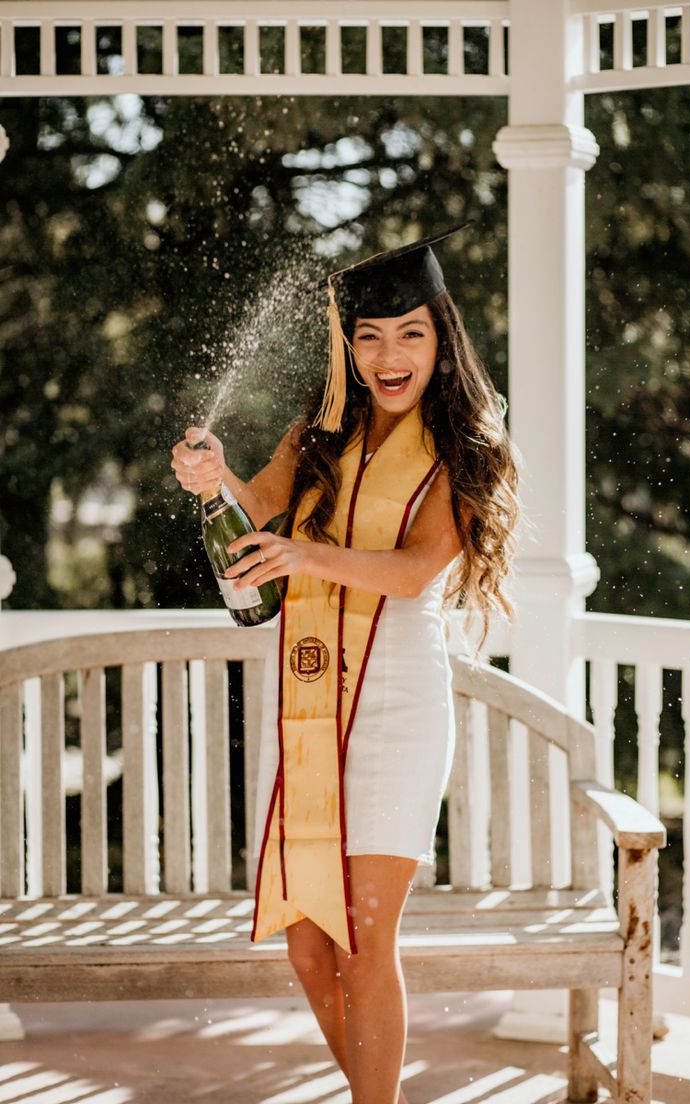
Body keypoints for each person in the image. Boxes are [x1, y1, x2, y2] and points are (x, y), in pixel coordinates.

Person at [171, 224, 521, 1104]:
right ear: (349, 347)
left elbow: (412, 574)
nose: (387, 354)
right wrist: (213, 482)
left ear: (441, 340)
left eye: (409, 333)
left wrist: (306, 559)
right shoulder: (320, 434)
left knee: (364, 940)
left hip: (399, 707)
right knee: (306, 941)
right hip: (313, 701)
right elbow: (256, 513)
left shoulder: (464, 448)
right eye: (368, 336)